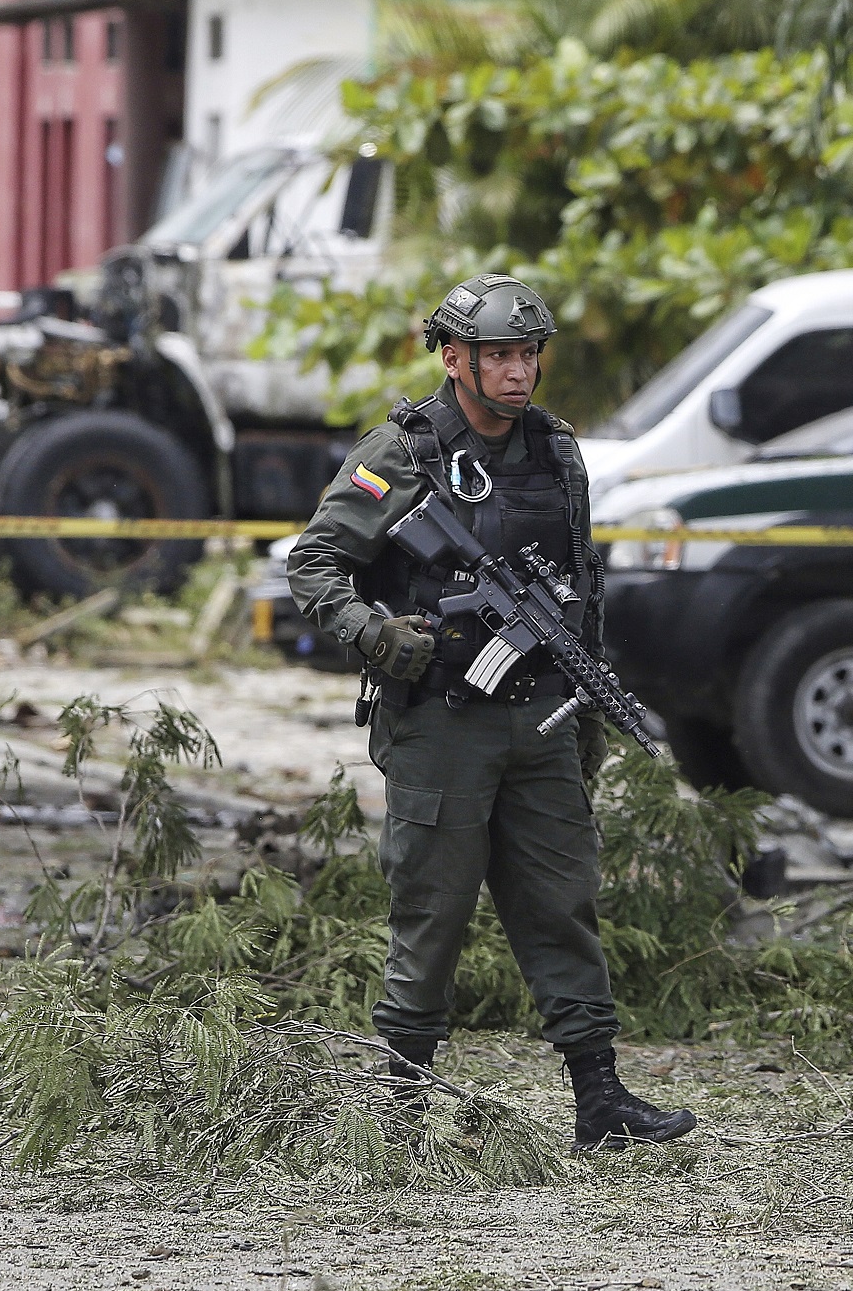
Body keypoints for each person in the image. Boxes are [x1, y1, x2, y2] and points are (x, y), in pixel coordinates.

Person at [287, 274, 697, 1149]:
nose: (518, 372)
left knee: (563, 903)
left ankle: (600, 1100)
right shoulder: (401, 453)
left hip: (541, 716)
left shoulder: (557, 452)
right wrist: (377, 634)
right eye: (500, 355)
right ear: (453, 357)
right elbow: (314, 563)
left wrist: (587, 711)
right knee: (430, 912)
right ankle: (399, 1116)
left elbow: (581, 592)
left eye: (529, 354)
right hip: (440, 723)